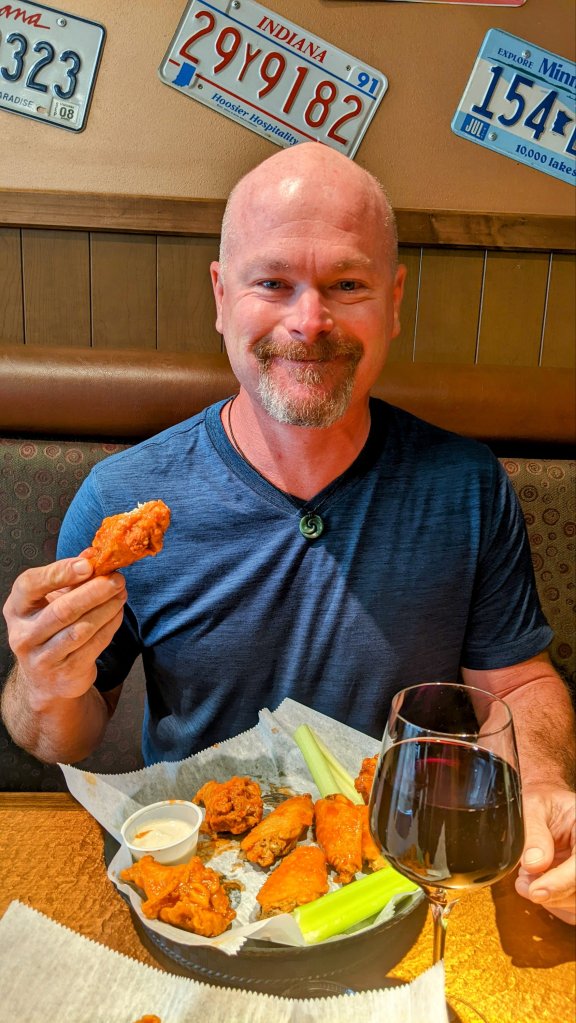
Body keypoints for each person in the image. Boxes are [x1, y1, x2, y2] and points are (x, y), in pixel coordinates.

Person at [2, 143, 574, 923]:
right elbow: (60, 736)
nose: (309, 321)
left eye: (347, 284)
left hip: (408, 880)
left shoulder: (467, 486)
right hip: (193, 885)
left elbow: (518, 685)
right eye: (272, 283)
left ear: (394, 300)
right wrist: (42, 685)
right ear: (221, 295)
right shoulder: (123, 497)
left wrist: (543, 783)